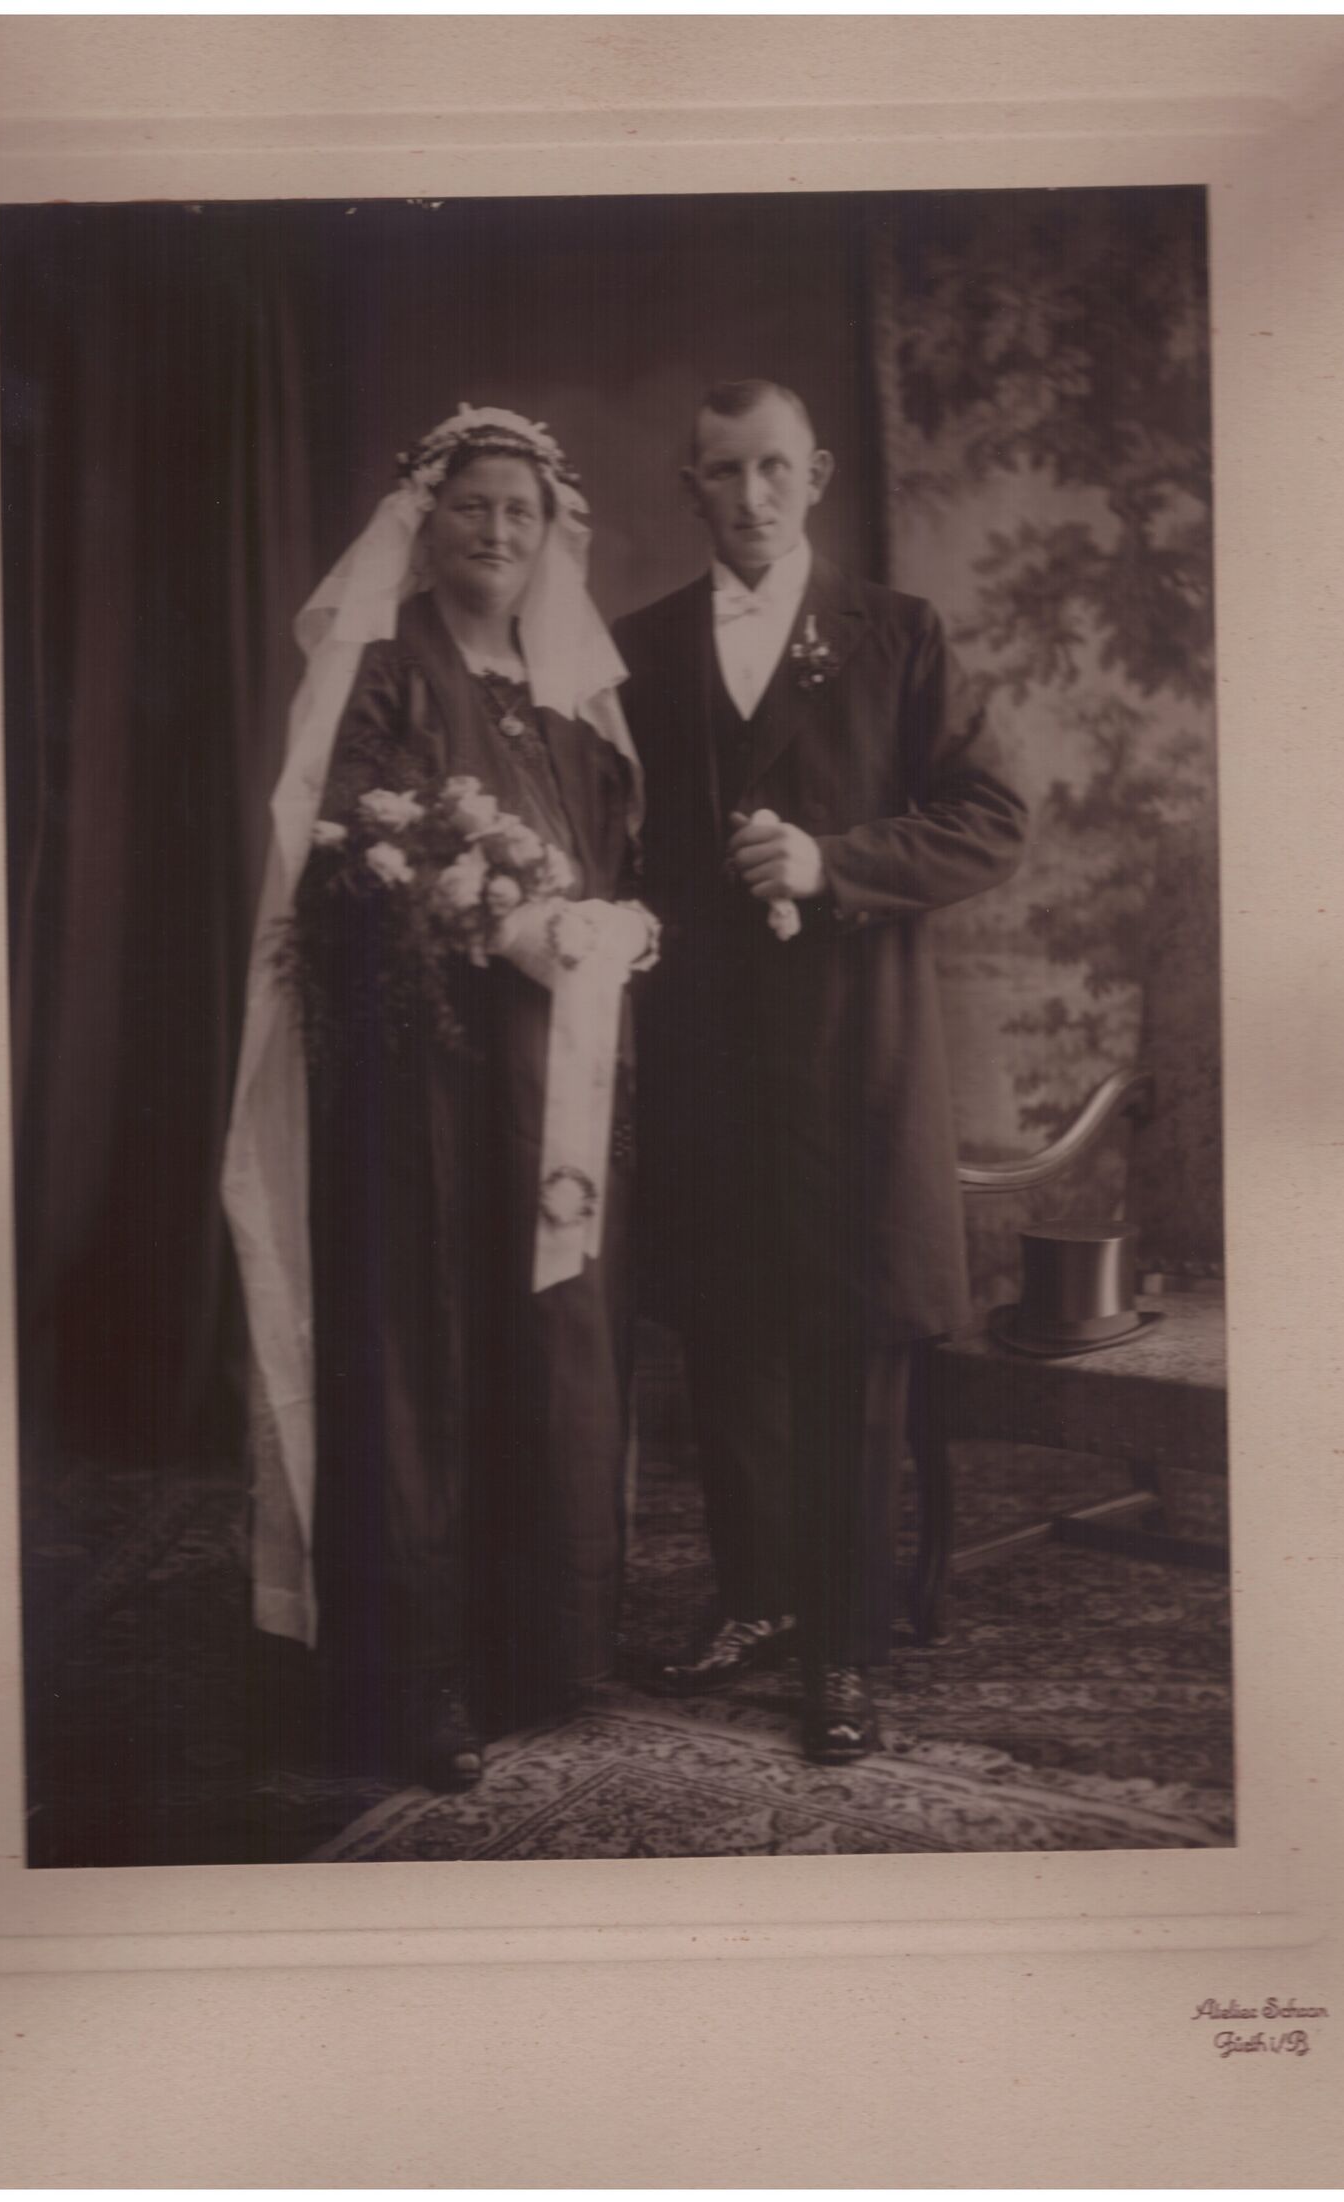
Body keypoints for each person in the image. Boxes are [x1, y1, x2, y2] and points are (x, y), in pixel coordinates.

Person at [223, 405, 654, 1790]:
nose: (498, 531)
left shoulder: (567, 699)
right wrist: (492, 922)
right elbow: (346, 857)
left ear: (551, 533)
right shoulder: (388, 671)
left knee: (550, 1340)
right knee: (425, 1349)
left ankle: (542, 1650)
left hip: (552, 1087)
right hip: (422, 1087)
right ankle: (417, 1680)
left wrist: (619, 925)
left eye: (522, 511)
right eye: (473, 505)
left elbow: (614, 856)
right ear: (427, 521)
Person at [613, 379, 1027, 1763]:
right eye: (724, 471)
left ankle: (843, 1648)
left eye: (774, 468)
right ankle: (758, 1600)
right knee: (728, 1335)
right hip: (704, 1059)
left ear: (819, 475)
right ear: (691, 485)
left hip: (857, 1052)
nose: (752, 496)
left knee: (850, 1346)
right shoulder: (639, 648)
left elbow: (992, 818)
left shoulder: (898, 633)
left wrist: (832, 862)